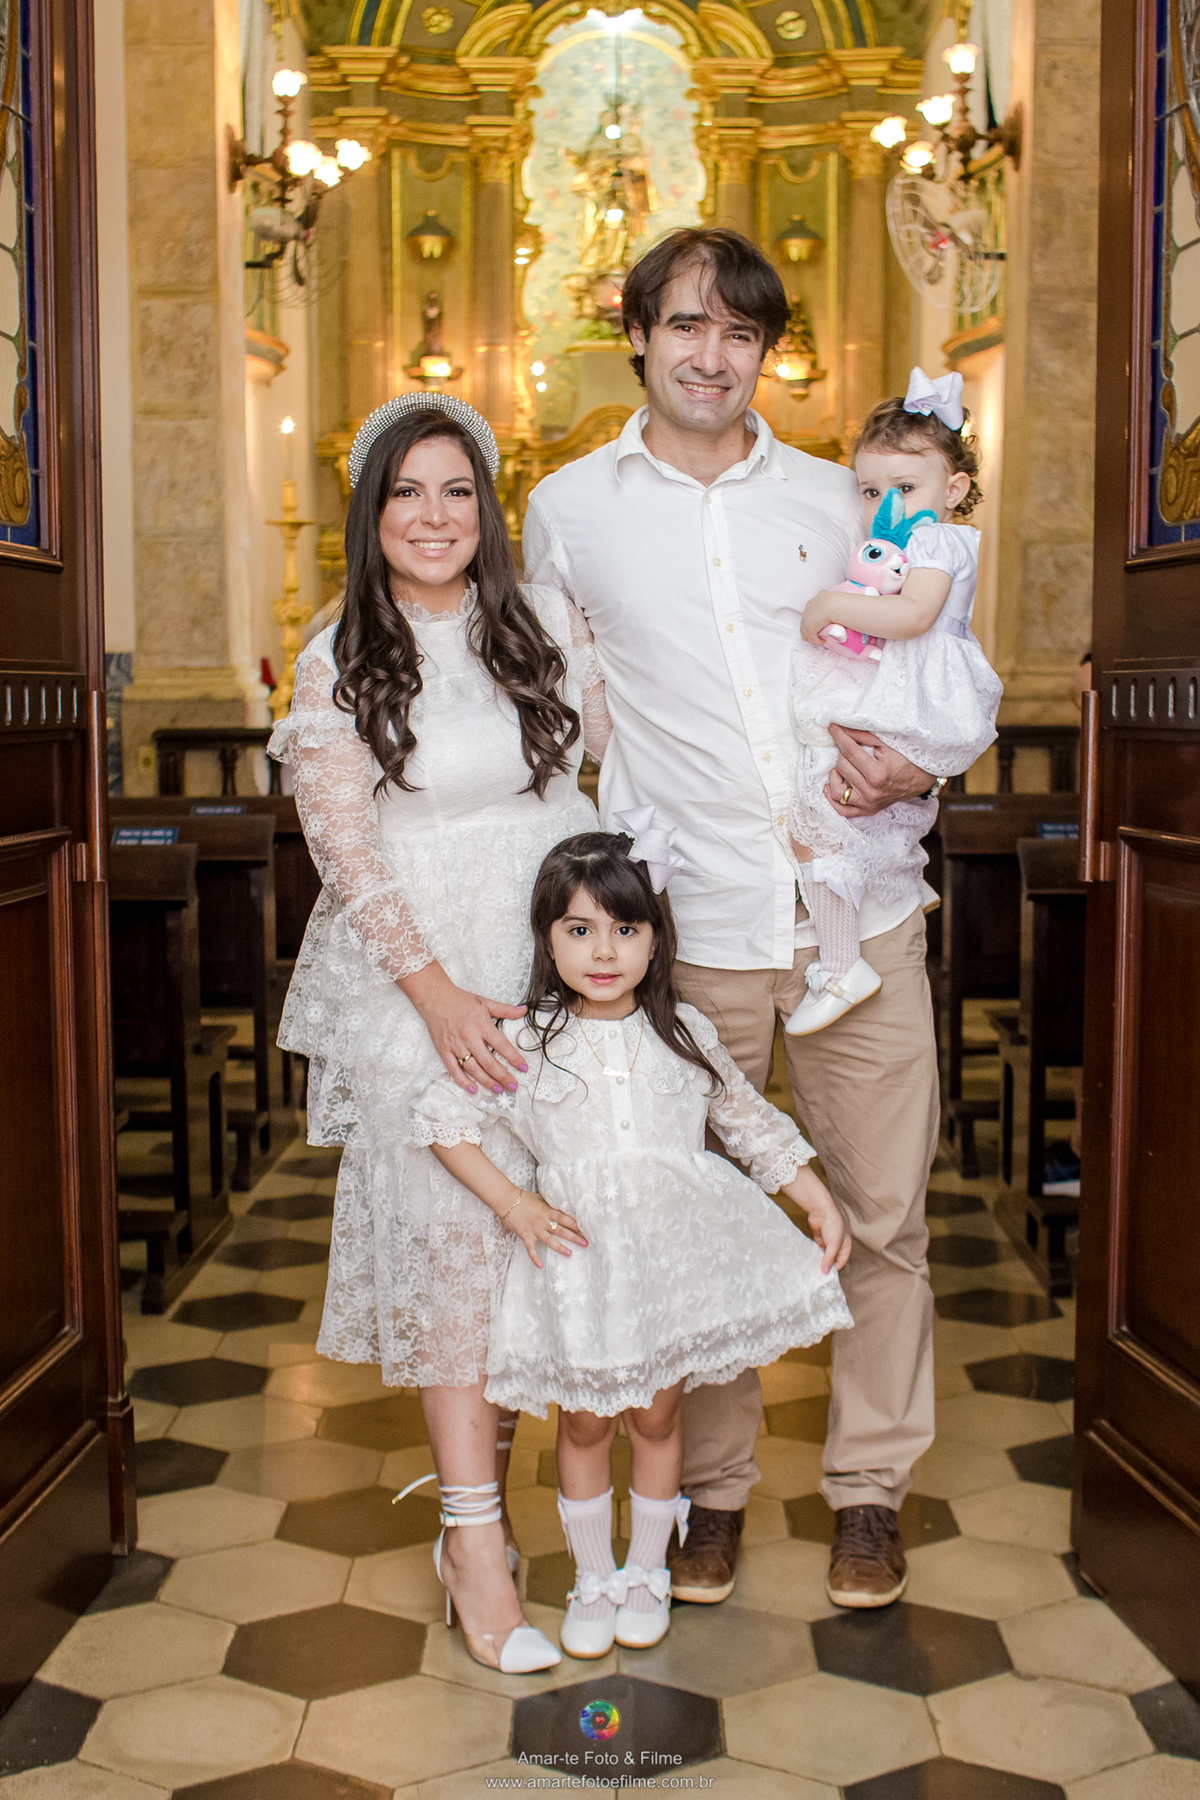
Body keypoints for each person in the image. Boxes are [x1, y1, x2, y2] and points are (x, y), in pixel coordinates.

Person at [523, 225, 945, 1611]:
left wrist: (922, 768)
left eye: (741, 331)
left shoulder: (847, 497)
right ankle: (706, 1495)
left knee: (883, 1218)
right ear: (638, 335)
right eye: (688, 325)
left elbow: (929, 664)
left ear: (767, 350)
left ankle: (869, 1491)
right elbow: (559, 713)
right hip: (686, 927)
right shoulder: (568, 510)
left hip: (857, 912)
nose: (713, 355)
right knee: (689, 1218)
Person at [268, 391, 606, 1675]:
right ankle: (474, 1547)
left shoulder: (544, 627)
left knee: (534, 1256)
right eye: (406, 492)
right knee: (458, 1260)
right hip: (424, 975)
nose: (433, 515)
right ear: (371, 513)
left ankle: (498, 1520)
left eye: (457, 490)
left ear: (487, 510)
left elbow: (601, 774)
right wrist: (439, 997)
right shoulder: (339, 654)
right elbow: (346, 852)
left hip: (546, 959)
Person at [405, 828, 852, 1659]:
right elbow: (441, 1118)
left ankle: (646, 1571)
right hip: (581, 1267)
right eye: (579, 930)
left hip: (670, 1263)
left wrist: (814, 1196)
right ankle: (593, 1579)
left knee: (657, 1414)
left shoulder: (683, 1031)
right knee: (584, 1425)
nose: (604, 952)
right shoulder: (529, 1041)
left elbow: (746, 1121)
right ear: (547, 940)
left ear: (655, 936)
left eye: (625, 928)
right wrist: (514, 1204)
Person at [783, 371, 1003, 1035]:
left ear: (954, 489)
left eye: (906, 488)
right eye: (872, 490)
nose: (888, 504)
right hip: (904, 680)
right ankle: (855, 940)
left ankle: (844, 964)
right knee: (835, 809)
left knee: (817, 813)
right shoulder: (911, 543)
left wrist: (827, 605)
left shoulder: (936, 540)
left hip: (916, 685)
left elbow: (913, 616)